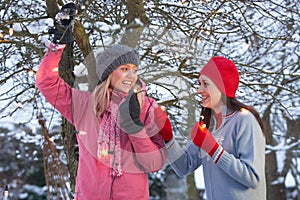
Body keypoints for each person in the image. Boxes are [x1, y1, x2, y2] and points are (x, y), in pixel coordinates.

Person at [36, 3, 168, 199]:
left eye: (134, 69)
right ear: (108, 74)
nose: (131, 75)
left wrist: (134, 127)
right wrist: (58, 44)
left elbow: (154, 164)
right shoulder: (85, 105)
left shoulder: (146, 106)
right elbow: (46, 81)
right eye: (124, 69)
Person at [159, 56, 267, 200]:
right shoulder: (209, 126)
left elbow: (252, 177)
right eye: (199, 83)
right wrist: (168, 137)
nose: (199, 90)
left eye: (205, 84)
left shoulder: (245, 120)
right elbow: (184, 167)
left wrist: (212, 148)